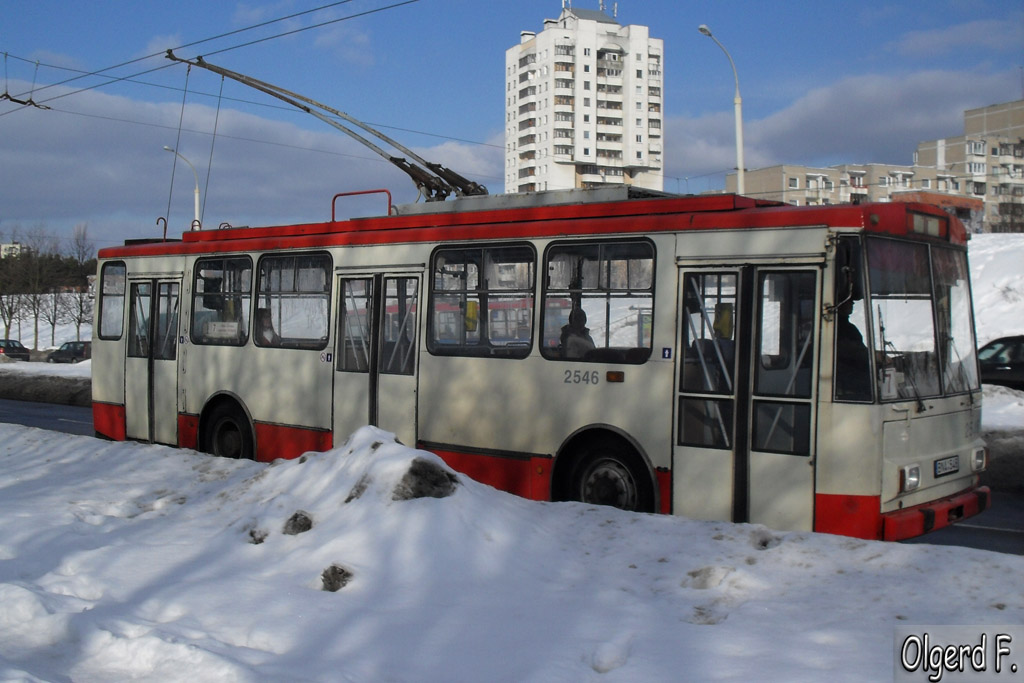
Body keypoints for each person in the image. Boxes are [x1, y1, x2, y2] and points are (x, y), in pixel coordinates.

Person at [834, 299, 871, 399]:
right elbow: (849, 350)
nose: (853, 303)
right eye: (849, 300)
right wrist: (873, 357)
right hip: (847, 380)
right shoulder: (837, 327)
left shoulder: (848, 327)